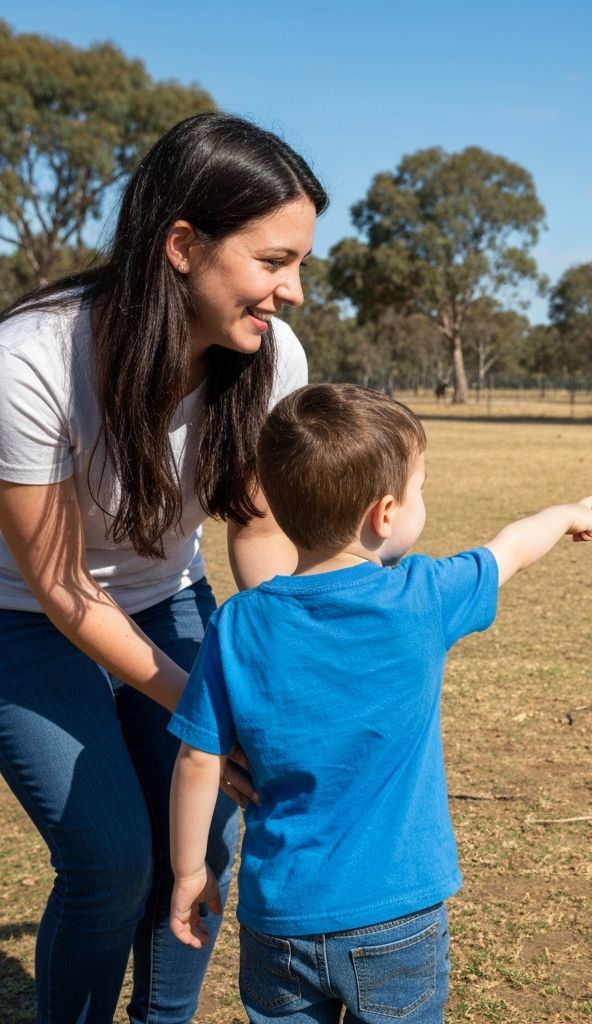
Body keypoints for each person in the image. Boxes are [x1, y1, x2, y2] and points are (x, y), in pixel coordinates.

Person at [0, 112, 328, 1023]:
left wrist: (277, 666)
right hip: (23, 614)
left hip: (168, 595)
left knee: (205, 839)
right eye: (273, 261)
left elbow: (258, 533)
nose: (293, 292)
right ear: (183, 246)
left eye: (300, 263)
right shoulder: (30, 361)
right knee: (111, 860)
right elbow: (64, 590)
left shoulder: (271, 357)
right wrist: (205, 710)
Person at [167, 383, 592, 1024]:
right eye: (421, 490)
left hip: (276, 918)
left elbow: (198, 763)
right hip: (397, 915)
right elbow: (509, 549)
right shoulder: (422, 596)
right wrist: (566, 515)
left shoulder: (237, 624)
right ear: (385, 513)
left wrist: (187, 873)